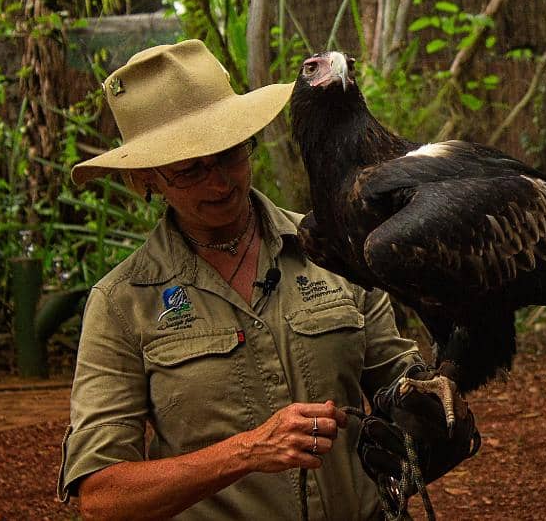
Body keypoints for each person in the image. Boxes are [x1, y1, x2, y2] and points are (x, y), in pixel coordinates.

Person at [58, 39, 477, 520]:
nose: (220, 182)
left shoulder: (338, 250)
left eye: (230, 155)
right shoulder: (122, 302)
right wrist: (249, 451)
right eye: (190, 170)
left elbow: (402, 384)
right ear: (147, 178)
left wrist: (435, 411)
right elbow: (102, 497)